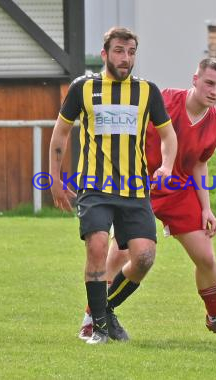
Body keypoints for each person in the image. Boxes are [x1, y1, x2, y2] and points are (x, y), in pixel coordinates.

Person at [78, 58, 216, 341]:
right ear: (195, 80)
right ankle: (90, 320)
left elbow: (198, 165)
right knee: (120, 253)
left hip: (178, 192)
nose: (214, 91)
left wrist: (207, 208)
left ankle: (215, 319)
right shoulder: (165, 99)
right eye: (209, 83)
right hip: (137, 186)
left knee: (206, 257)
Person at [49, 26, 177, 345]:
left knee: (144, 256)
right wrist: (54, 179)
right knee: (96, 246)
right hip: (95, 186)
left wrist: (167, 165)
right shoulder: (83, 88)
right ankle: (101, 331)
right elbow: (60, 133)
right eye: (119, 51)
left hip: (135, 190)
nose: (126, 58)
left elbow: (168, 136)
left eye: (131, 52)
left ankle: (101, 313)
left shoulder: (148, 91)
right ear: (105, 54)